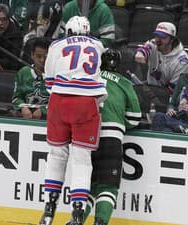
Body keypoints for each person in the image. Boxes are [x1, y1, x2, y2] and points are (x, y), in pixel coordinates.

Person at [39, 16, 107, 225]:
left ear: (67, 31)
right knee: (82, 160)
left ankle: (49, 211)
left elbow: (49, 80)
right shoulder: (98, 45)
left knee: (56, 155)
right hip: (86, 103)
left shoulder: (56, 45)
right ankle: (77, 214)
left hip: (59, 101)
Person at [83, 49, 141, 225]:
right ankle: (100, 222)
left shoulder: (88, 77)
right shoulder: (124, 82)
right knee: (108, 187)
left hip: (86, 138)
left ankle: (77, 220)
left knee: (90, 187)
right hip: (111, 138)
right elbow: (134, 118)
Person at [134, 22, 188, 92]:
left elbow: (174, 90)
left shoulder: (182, 61)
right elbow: (144, 50)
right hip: (150, 90)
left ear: (172, 40)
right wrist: (140, 54)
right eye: (157, 36)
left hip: (170, 97)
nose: (158, 40)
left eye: (162, 37)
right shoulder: (154, 44)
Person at [150, 60, 188, 133]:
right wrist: (170, 109)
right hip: (176, 119)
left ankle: (180, 131)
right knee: (158, 116)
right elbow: (172, 103)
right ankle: (180, 131)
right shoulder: (184, 79)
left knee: (165, 127)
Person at [12, 37, 50, 120]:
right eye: (38, 56)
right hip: (25, 117)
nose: (42, 60)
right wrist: (23, 107)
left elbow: (59, 101)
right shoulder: (23, 72)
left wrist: (43, 110)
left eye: (46, 57)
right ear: (32, 55)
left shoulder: (56, 75)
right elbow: (16, 97)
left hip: (49, 120)